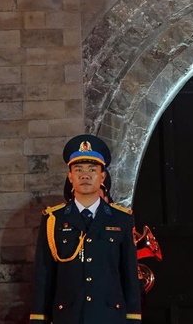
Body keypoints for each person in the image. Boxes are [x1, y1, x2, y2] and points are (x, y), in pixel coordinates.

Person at [32, 135, 142, 323]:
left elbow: (129, 273)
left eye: (92, 169)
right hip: (68, 316)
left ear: (102, 176)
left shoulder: (122, 219)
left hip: (109, 316)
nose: (85, 175)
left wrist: (133, 317)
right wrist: (39, 317)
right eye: (78, 170)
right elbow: (44, 274)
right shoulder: (53, 219)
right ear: (70, 176)